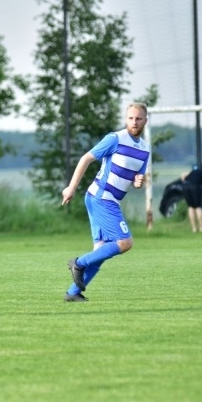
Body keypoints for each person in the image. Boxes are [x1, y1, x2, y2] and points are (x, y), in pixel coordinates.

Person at [60, 103, 151, 302]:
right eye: (130, 118)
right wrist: (71, 187)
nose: (134, 122)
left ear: (145, 120)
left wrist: (138, 181)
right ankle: (78, 262)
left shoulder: (145, 148)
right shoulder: (115, 139)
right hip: (102, 197)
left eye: (138, 118)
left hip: (107, 200)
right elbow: (85, 159)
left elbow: (136, 180)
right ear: (126, 118)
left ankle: (72, 293)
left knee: (100, 252)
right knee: (125, 243)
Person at [180, 165, 202, 232]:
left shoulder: (195, 172)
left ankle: (194, 229)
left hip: (185, 187)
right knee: (198, 207)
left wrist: (184, 182)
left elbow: (183, 174)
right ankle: (201, 228)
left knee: (190, 207)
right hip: (194, 187)